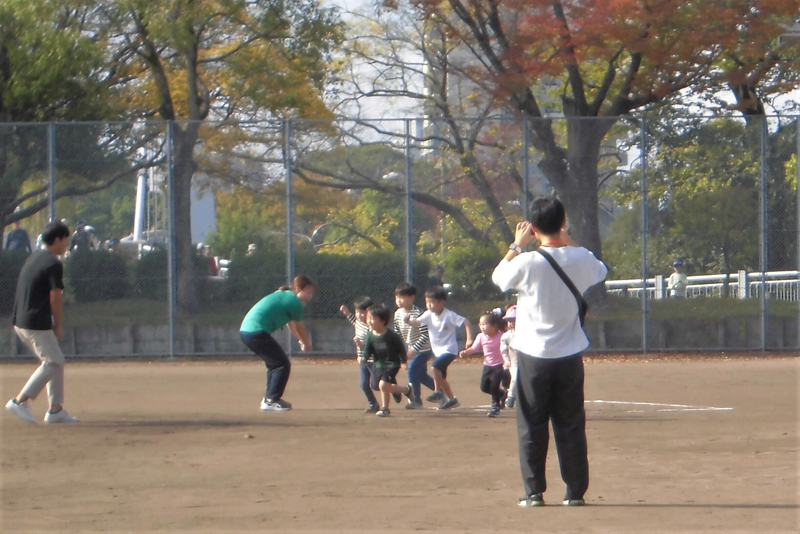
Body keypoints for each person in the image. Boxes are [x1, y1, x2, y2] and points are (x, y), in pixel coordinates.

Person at [492, 196, 607, 508]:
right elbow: (600, 270)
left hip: (533, 355)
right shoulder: (581, 258)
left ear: (532, 227)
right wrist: (567, 238)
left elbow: (499, 278)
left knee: (531, 423)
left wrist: (517, 244)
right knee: (571, 423)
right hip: (570, 355)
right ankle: (575, 493)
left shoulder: (527, 262)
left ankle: (534, 493)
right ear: (563, 221)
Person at [5, 220, 78, 424]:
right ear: (57, 240)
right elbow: (55, 297)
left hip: (21, 321)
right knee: (53, 362)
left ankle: (56, 410)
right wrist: (58, 324)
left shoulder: (35, 257)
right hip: (35, 322)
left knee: (55, 361)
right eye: (66, 239)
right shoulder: (53, 263)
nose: (68, 244)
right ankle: (20, 401)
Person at [239, 275, 315, 411]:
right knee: (282, 364)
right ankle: (272, 400)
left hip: (247, 331)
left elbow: (289, 322)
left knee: (275, 365)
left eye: (312, 293)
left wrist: (299, 339)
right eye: (308, 292)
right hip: (255, 332)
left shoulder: (286, 296)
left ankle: (269, 399)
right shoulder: (294, 302)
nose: (310, 296)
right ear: (297, 289)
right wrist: (307, 343)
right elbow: (300, 326)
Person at [405, 286, 473, 410]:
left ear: (441, 302)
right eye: (427, 302)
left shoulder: (449, 315)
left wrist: (469, 339)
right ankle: (452, 400)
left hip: (450, 350)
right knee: (441, 378)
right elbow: (416, 323)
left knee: (435, 367)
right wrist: (409, 322)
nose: (428, 305)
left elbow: (466, 322)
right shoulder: (428, 314)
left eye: (431, 302)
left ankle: (437, 392)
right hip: (438, 351)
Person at [363, 304, 413, 417]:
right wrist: (364, 358)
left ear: (382, 320)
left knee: (383, 385)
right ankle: (406, 390)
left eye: (372, 319)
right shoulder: (370, 336)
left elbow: (400, 348)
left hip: (392, 364)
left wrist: (404, 361)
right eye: (368, 319)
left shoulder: (391, 335)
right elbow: (368, 350)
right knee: (375, 386)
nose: (369, 321)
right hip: (378, 364)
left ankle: (385, 408)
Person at [393, 282, 433, 410]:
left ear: (412, 297)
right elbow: (397, 334)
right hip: (411, 349)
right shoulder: (397, 314)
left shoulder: (419, 314)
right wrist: (401, 354)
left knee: (412, 372)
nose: (399, 300)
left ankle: (417, 401)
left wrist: (415, 349)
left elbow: (425, 335)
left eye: (402, 297)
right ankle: (443, 393)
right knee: (421, 376)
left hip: (424, 349)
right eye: (397, 297)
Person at [459, 310, 507, 417]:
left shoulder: (502, 336)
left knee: (494, 385)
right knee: (484, 387)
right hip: (488, 365)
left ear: (494, 326)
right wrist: (466, 353)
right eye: (480, 324)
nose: (482, 326)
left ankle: (495, 407)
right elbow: (474, 349)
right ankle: (502, 394)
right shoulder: (480, 336)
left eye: (484, 324)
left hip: (500, 365)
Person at [340, 296, 379, 413]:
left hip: (373, 360)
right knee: (363, 384)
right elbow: (354, 321)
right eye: (357, 312)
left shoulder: (371, 327)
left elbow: (373, 346)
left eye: (362, 313)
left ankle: (396, 388)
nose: (359, 315)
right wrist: (347, 313)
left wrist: (362, 344)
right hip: (362, 360)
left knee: (376, 385)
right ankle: (373, 404)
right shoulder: (358, 323)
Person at [501, 306, 518, 409]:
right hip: (514, 362)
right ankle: (511, 397)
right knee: (515, 378)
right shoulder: (506, 336)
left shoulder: (528, 334)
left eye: (514, 320)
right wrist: (507, 360)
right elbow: (503, 350)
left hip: (527, 362)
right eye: (509, 321)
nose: (511, 323)